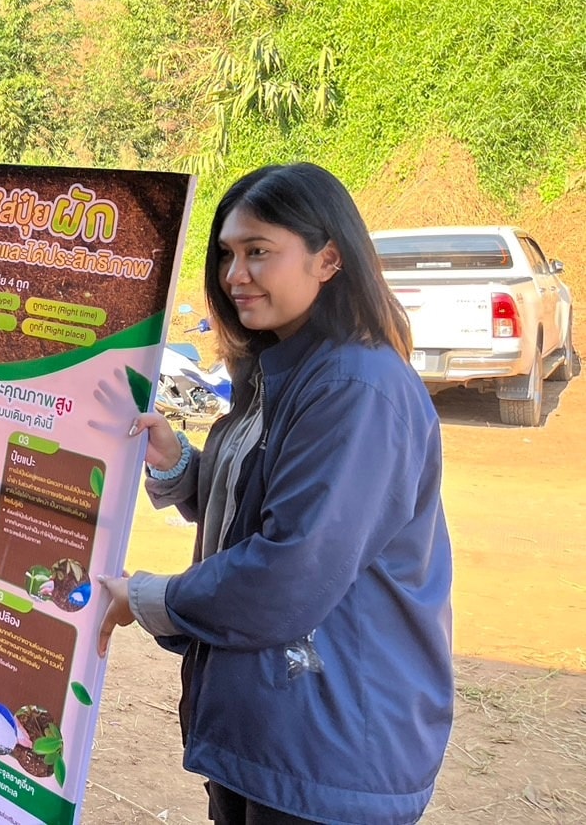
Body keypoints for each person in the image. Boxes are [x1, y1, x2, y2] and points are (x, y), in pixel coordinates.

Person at [97, 163, 453, 825]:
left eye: (258, 251)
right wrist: (178, 464)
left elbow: (291, 568)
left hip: (329, 749)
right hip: (273, 732)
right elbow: (265, 498)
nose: (235, 274)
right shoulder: (281, 366)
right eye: (226, 254)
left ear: (329, 258)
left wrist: (148, 597)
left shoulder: (354, 389)